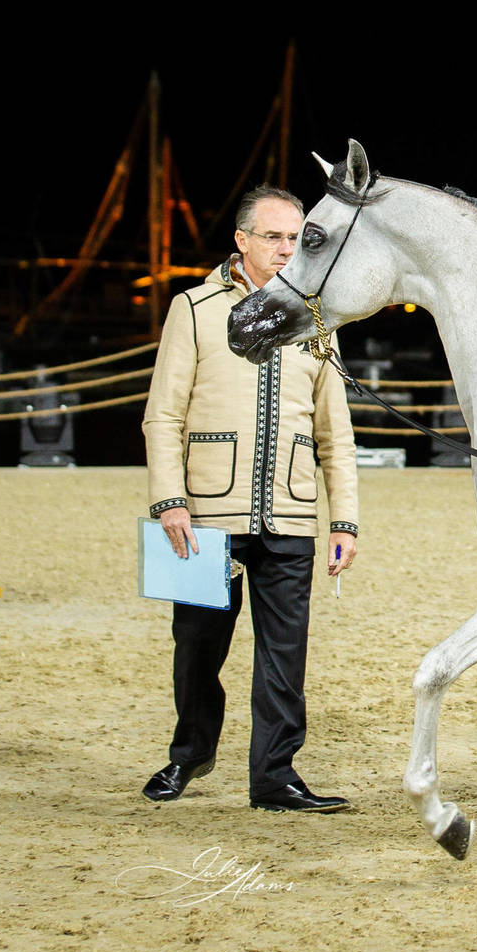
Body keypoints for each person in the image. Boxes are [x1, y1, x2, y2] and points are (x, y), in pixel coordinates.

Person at [140, 183, 360, 813]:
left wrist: (344, 518)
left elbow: (334, 433)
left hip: (290, 512)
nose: (287, 250)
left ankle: (274, 776)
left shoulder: (316, 316)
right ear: (241, 240)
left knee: (285, 657)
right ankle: (190, 753)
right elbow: (162, 418)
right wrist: (169, 501)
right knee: (197, 649)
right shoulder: (193, 307)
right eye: (273, 236)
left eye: (296, 238)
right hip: (204, 515)